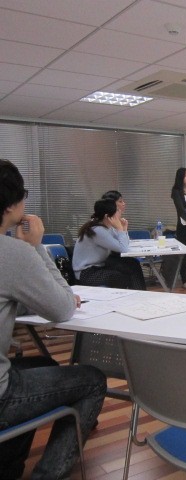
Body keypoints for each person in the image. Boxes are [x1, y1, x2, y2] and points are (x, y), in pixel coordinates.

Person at [0, 159, 106, 479]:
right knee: (92, 380)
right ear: (11, 205)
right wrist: (35, 248)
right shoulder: (12, 252)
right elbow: (63, 307)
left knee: (40, 366)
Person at [72, 198, 146, 290]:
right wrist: (120, 229)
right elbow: (123, 249)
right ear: (108, 216)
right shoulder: (98, 230)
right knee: (120, 277)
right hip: (86, 273)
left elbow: (125, 245)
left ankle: (141, 294)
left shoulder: (107, 228)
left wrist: (124, 228)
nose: (120, 213)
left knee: (132, 263)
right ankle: (133, 295)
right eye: (117, 211)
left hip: (99, 266)